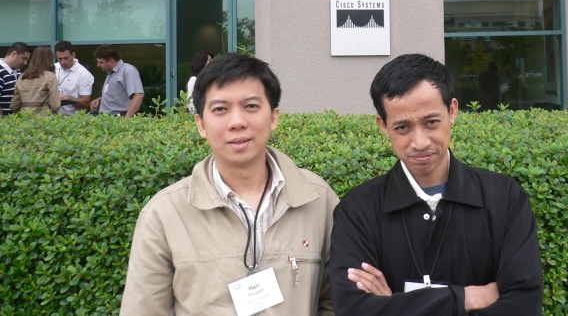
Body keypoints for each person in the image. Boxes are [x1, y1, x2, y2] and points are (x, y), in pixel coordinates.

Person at [120, 53, 340, 316]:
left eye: (251, 106)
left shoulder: (317, 198)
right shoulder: (164, 213)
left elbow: (334, 302)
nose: (237, 122)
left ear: (273, 117)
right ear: (201, 123)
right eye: (220, 109)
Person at [329, 54, 543, 315]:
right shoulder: (358, 210)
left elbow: (523, 305)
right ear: (383, 126)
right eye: (403, 127)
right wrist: (466, 297)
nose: (419, 142)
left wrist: (392, 305)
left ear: (452, 111)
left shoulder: (504, 199)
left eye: (431, 123)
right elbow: (354, 309)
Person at [89, 44, 145, 117]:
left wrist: (126, 120)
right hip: (107, 118)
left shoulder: (128, 70)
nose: (98, 65)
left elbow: (138, 95)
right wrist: (100, 100)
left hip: (119, 118)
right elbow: (118, 95)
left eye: (101, 62)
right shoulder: (110, 73)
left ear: (111, 61)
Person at [10, 46, 61, 116]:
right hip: (43, 118)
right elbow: (55, 105)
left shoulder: (22, 76)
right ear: (50, 59)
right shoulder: (50, 76)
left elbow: (14, 106)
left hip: (24, 118)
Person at [54, 41, 95, 116]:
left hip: (72, 120)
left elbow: (85, 103)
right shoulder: (52, 68)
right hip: (51, 118)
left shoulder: (84, 74)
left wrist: (69, 99)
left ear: (73, 55)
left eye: (66, 58)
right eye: (60, 59)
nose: (63, 62)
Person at [0, 42, 31, 116]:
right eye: (23, 58)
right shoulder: (1, 72)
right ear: (14, 54)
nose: (25, 63)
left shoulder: (17, 71)